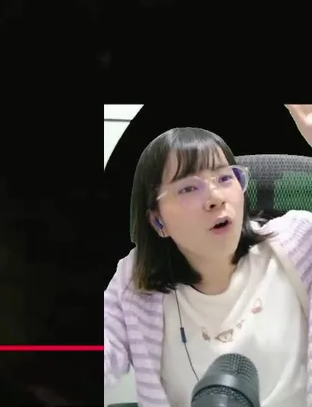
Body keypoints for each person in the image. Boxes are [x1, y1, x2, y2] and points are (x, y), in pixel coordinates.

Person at [103, 106, 312, 407]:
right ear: (158, 221)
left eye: (225, 178)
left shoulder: (300, 240)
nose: (215, 198)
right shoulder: (135, 282)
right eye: (189, 188)